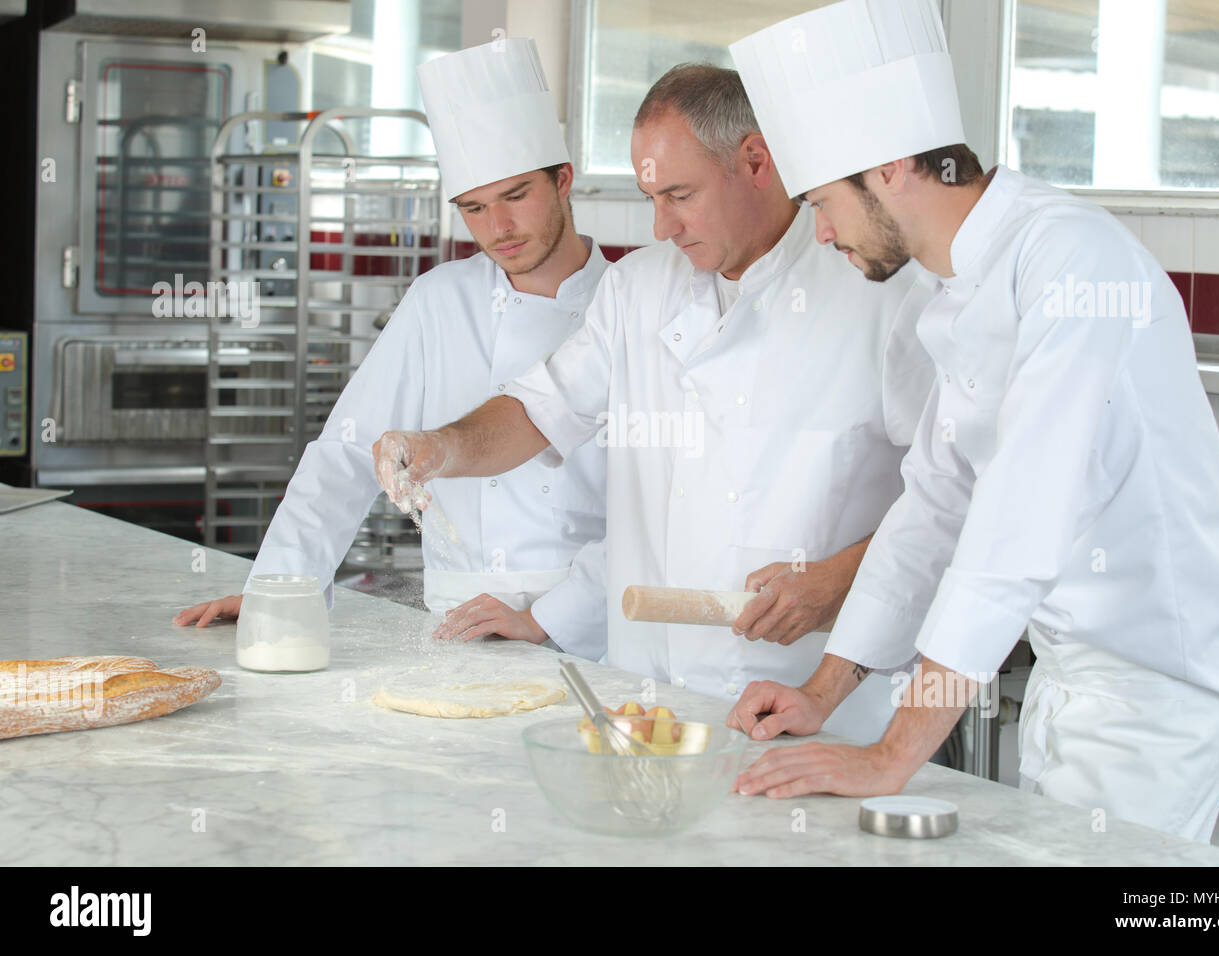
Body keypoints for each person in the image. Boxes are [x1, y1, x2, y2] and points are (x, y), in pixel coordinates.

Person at [725, 0, 1219, 841]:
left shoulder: (1072, 266)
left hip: (1156, 693)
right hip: (1070, 673)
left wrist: (893, 752)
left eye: (825, 201)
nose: (821, 233)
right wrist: (823, 693)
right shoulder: (959, 288)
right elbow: (934, 507)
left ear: (894, 165)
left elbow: (1015, 528)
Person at [372, 63, 937, 743]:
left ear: (755, 161)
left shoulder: (884, 295)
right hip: (651, 700)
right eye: (651, 198)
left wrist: (841, 577)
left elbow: (953, 497)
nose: (662, 226)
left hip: (820, 709)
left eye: (680, 195)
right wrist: (441, 449)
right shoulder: (639, 288)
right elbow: (538, 409)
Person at [174, 38, 608, 660]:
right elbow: (348, 452)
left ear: (563, 180)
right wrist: (281, 589)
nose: (498, 230)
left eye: (516, 197)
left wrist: (550, 615)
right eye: (474, 208)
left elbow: (653, 508)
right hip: (456, 624)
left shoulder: (630, 303)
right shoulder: (439, 299)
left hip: (590, 627)